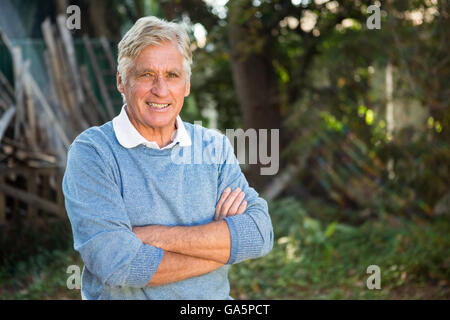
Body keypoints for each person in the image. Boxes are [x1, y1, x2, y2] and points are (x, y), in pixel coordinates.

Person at [62, 16, 273, 300]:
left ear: (186, 85)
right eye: (146, 74)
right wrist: (220, 246)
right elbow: (116, 265)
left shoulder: (213, 147)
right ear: (122, 82)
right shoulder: (93, 153)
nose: (160, 89)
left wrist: (153, 236)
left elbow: (259, 234)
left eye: (172, 75)